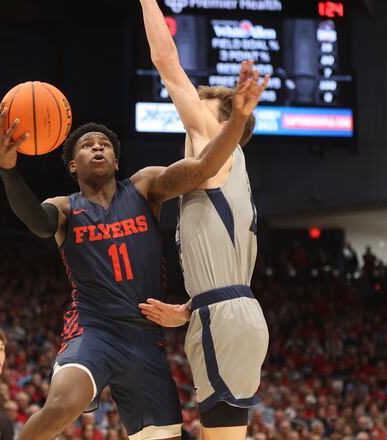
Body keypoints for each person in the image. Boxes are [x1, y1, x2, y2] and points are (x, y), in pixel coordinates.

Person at [0, 49, 264, 440]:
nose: (97, 148)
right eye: (87, 145)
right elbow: (36, 222)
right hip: (93, 330)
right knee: (63, 404)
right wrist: (8, 170)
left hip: (144, 341)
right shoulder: (66, 209)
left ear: (117, 161)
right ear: (72, 165)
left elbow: (204, 169)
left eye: (104, 144)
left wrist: (236, 121)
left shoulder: (145, 188)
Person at [135, 1, 270, 439]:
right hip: (222, 310)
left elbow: (166, 62)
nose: (188, 120)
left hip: (226, 316)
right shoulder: (225, 175)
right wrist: (191, 307)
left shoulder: (219, 147)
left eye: (198, 112)